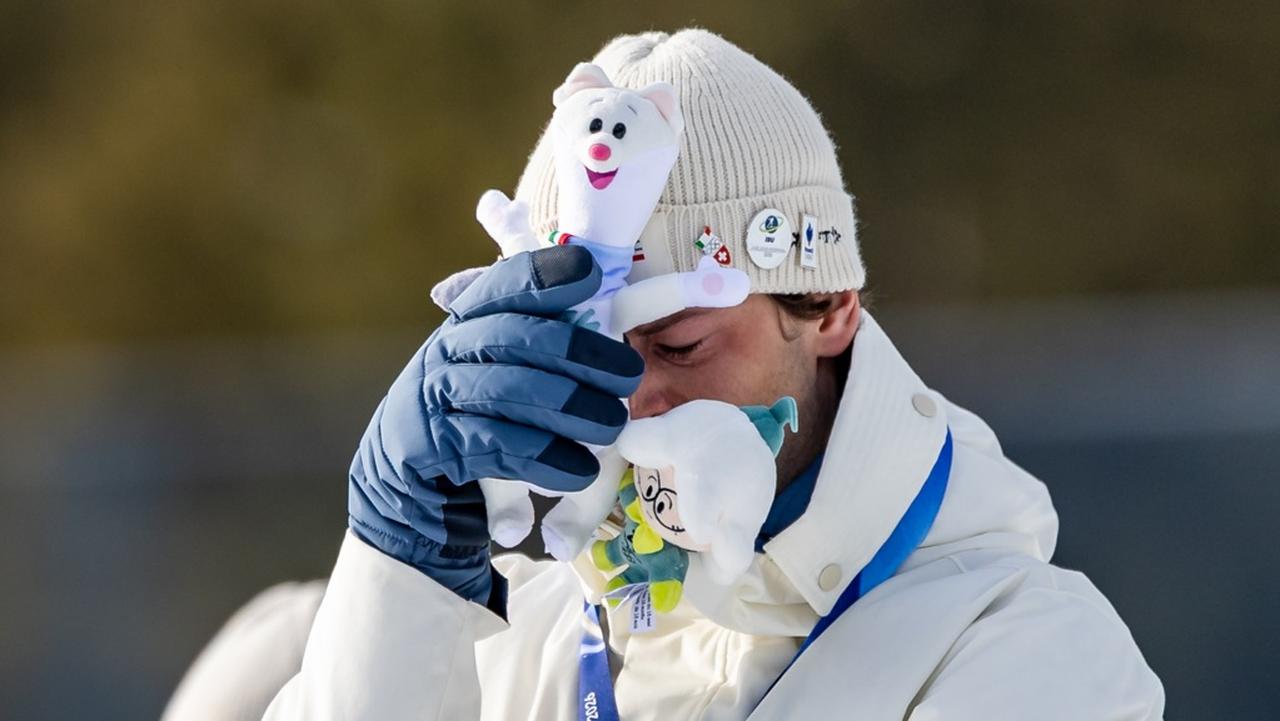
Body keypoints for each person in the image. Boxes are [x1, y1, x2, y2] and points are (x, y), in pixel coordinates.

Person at [163, 28, 1165, 721]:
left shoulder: (1027, 649)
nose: (626, 399)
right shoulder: (515, 626)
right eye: (575, 347)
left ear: (828, 308)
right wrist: (399, 565)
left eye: (679, 344)